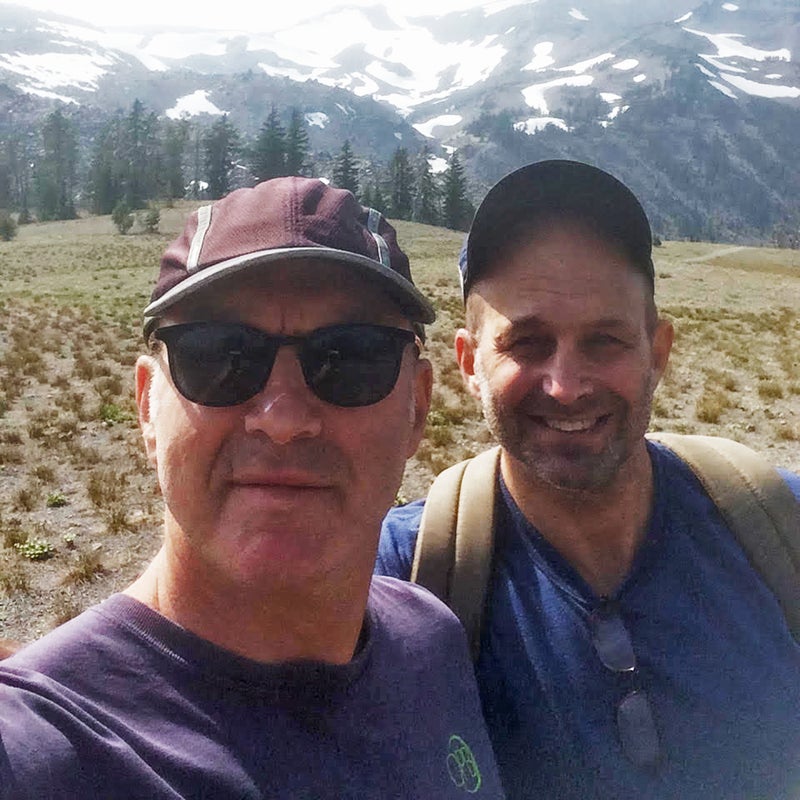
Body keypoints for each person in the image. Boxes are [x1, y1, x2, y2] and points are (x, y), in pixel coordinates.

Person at [0, 177, 506, 799]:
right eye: (220, 355)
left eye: (350, 358)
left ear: (418, 410)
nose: (284, 419)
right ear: (145, 408)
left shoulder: (432, 640)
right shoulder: (43, 748)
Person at [376, 160, 800, 799]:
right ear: (468, 362)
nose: (566, 386)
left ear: (658, 354)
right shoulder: (399, 579)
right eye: (527, 343)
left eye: (605, 341)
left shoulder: (777, 526)